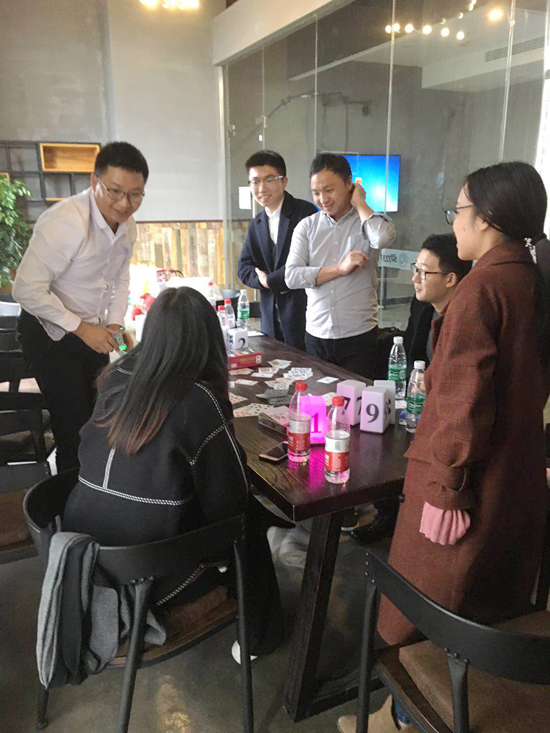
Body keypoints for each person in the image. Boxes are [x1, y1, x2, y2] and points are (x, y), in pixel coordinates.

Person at [338, 161, 550, 733]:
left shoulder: (482, 288)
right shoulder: (531, 279)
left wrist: (448, 488)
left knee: (428, 604)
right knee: (487, 601)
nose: (454, 221)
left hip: (465, 483)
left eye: (458, 209)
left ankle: (404, 716)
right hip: (516, 477)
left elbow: (462, 400)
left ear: (488, 219)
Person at [63, 286, 284, 660]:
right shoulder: (200, 401)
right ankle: (261, 636)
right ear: (208, 342)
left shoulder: (114, 377)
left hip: (87, 557)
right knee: (246, 524)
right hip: (148, 575)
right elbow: (228, 504)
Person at [13, 141, 148, 472]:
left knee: (98, 421)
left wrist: (114, 323)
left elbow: (119, 278)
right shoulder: (66, 222)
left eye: (135, 194)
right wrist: (83, 329)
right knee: (72, 427)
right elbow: (25, 289)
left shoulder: (127, 225)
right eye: (115, 191)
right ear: (94, 181)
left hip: (92, 329)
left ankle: (96, 489)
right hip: (48, 332)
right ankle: (70, 499)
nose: (124, 203)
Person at [351, 233, 472, 545]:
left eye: (423, 272)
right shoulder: (423, 305)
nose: (414, 278)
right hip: (416, 400)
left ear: (451, 279)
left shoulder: (466, 321)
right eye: (415, 269)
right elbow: (410, 353)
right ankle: (388, 513)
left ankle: (403, 518)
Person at [285, 153, 396, 379]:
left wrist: (360, 203)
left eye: (329, 190)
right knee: (318, 398)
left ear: (349, 184)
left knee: (357, 398)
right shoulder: (307, 227)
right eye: (316, 192)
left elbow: (382, 238)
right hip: (317, 335)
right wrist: (340, 269)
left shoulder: (369, 222)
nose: (322, 199)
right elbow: (292, 276)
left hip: (359, 335)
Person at [237, 150, 317, 350]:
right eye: (255, 181)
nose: (261, 188)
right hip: (269, 322)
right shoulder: (256, 224)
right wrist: (260, 281)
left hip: (302, 316)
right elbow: (244, 267)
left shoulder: (306, 214)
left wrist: (269, 281)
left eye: (269, 179)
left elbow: (310, 262)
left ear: (284, 181)